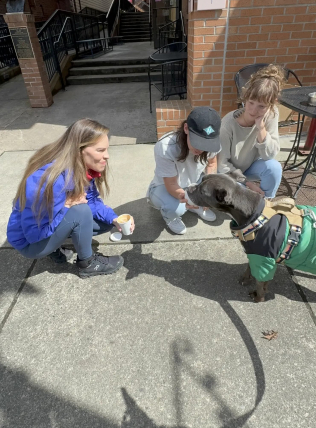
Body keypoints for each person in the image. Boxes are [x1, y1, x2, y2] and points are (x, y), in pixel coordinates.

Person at [7, 119, 134, 279]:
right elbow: (32, 234)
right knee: (80, 211)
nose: (107, 156)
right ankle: (87, 264)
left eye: (107, 149)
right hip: (31, 244)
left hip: (46, 228)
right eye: (100, 150)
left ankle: (56, 246)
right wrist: (66, 206)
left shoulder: (79, 168)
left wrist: (114, 219)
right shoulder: (49, 181)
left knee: (105, 222)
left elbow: (91, 201)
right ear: (79, 150)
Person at [147, 107, 221, 235]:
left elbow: (212, 163)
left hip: (193, 181)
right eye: (198, 142)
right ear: (186, 128)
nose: (201, 149)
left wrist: (208, 190)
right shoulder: (166, 147)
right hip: (164, 186)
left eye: (206, 144)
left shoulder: (212, 144)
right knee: (177, 209)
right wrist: (193, 198)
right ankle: (170, 217)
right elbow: (170, 184)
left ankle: (194, 207)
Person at [218, 64, 285, 198]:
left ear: (272, 104)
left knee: (274, 168)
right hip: (229, 172)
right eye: (251, 103)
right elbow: (222, 164)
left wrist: (261, 129)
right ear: (245, 97)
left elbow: (269, 155)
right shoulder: (228, 124)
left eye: (262, 106)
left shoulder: (271, 114)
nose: (254, 111)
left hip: (252, 165)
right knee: (243, 197)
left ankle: (265, 204)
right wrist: (247, 183)